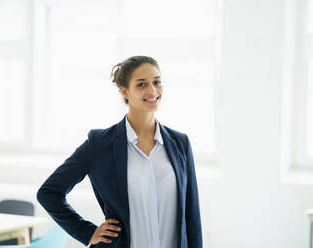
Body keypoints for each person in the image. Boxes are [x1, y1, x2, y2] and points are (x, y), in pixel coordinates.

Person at [36, 55, 202, 248]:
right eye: (142, 84)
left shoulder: (180, 143)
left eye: (157, 82)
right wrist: (87, 232)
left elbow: (192, 216)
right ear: (125, 91)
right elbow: (49, 193)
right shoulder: (99, 144)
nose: (152, 90)